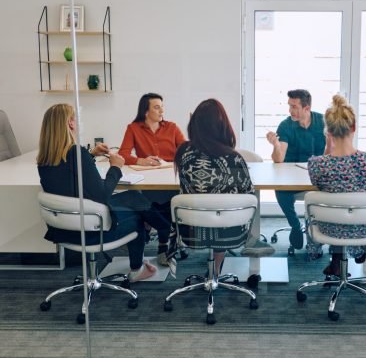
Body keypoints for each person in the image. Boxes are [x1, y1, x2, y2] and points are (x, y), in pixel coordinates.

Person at [37, 103, 173, 283]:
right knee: (138, 214)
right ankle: (140, 265)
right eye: (76, 119)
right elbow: (103, 194)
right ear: (70, 123)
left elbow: (71, 176)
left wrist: (90, 154)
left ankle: (165, 228)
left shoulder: (44, 159)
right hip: (91, 231)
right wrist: (115, 167)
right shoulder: (77, 154)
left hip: (64, 230)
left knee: (132, 197)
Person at [169, 98, 274, 276]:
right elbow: (248, 195)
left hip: (191, 230)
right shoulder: (233, 158)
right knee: (224, 210)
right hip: (230, 232)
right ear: (222, 126)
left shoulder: (183, 153)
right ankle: (218, 268)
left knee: (214, 210)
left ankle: (213, 271)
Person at [308, 94, 366, 277]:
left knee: (333, 204)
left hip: (330, 228)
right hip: (365, 228)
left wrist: (328, 148)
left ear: (328, 132)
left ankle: (335, 261)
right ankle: (361, 251)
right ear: (354, 127)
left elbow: (321, 188)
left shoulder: (318, 165)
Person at [119, 93, 186, 265]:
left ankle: (163, 245)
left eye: (162, 106)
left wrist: (170, 161)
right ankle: (158, 240)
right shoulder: (133, 128)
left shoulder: (172, 127)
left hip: (170, 177)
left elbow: (186, 150)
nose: (161, 110)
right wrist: (140, 160)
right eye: (157, 107)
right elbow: (123, 154)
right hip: (148, 180)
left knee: (168, 202)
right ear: (146, 111)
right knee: (149, 203)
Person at [266, 89, 326, 251]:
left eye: (294, 106)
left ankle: (317, 232)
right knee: (280, 189)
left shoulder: (323, 122)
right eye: (289, 106)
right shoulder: (286, 125)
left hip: (317, 176)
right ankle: (295, 225)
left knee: (331, 190)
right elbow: (279, 159)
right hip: (291, 177)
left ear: (306, 108)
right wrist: (276, 146)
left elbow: (333, 151)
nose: (290, 110)